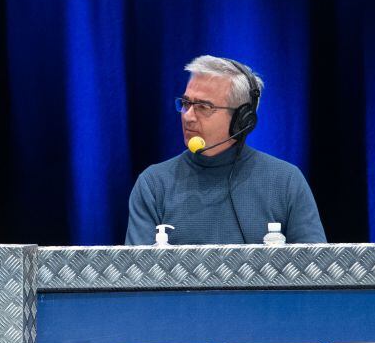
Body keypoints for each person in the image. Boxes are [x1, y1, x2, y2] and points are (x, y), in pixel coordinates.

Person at [125, 55, 326, 245]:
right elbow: (136, 277)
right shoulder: (153, 184)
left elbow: (315, 273)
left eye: (203, 106)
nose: (188, 116)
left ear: (242, 120)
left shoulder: (286, 181)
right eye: (186, 103)